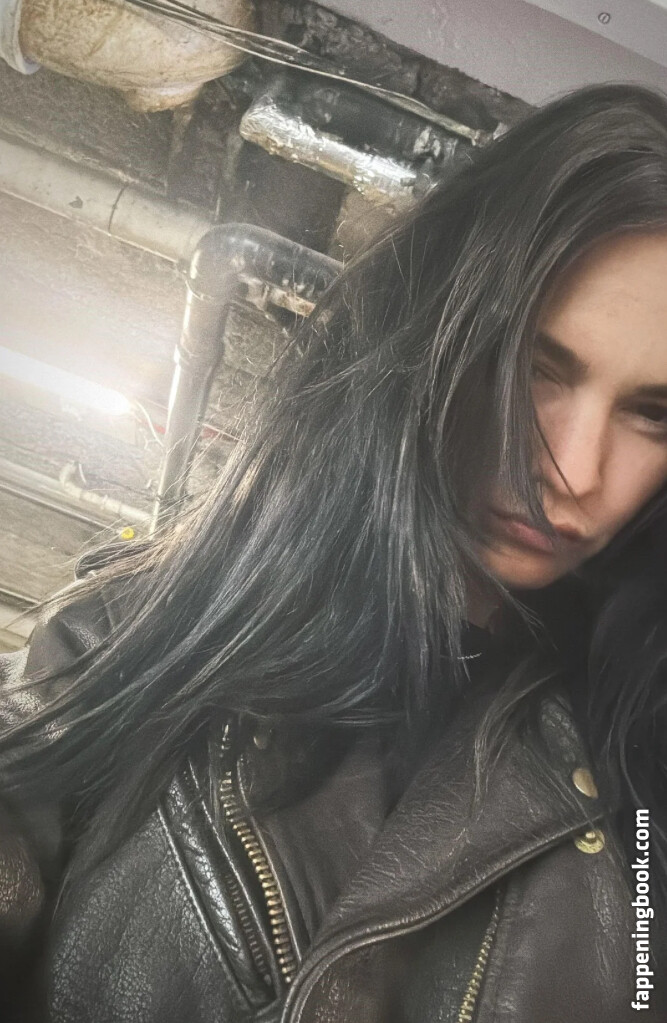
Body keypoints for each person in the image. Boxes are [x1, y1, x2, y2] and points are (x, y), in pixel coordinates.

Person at [0, 81, 667, 1023]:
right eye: (532, 368)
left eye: (652, 414)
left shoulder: (643, 792)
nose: (576, 470)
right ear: (434, 335)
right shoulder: (129, 634)